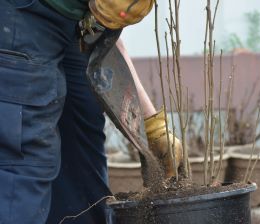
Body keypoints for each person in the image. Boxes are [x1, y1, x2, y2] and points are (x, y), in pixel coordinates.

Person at [0, 0, 181, 223]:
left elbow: (107, 38)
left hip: (71, 21)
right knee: (23, 160)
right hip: (20, 14)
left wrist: (153, 126)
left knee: (80, 149)